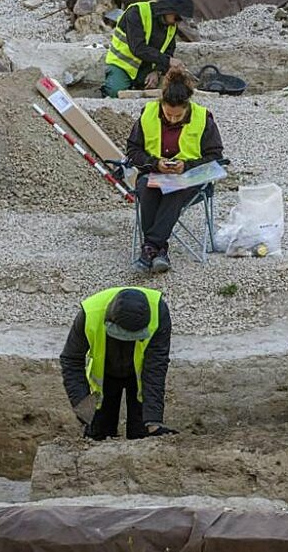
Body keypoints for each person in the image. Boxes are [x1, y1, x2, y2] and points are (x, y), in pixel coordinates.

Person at [125, 68, 224, 273]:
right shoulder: (148, 114)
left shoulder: (204, 118)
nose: (172, 119)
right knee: (147, 188)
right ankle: (159, 250)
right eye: (168, 114)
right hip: (154, 173)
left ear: (187, 107)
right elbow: (133, 150)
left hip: (189, 179)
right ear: (161, 103)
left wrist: (186, 166)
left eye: (178, 116)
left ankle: (150, 247)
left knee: (174, 190)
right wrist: (155, 163)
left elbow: (215, 156)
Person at [60, 286, 175, 440]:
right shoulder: (90, 314)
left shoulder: (158, 312)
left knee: (142, 436)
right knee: (98, 434)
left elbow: (156, 366)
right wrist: (84, 410)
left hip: (139, 376)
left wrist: (153, 420)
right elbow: (71, 360)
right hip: (105, 376)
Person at [102, 0, 194, 98]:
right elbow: (138, 48)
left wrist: (157, 71)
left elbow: (169, 49)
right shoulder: (136, 12)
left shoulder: (171, 25)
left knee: (168, 92)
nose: (177, 23)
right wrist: (168, 61)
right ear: (168, 10)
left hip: (145, 68)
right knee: (115, 92)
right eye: (177, 18)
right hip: (122, 64)